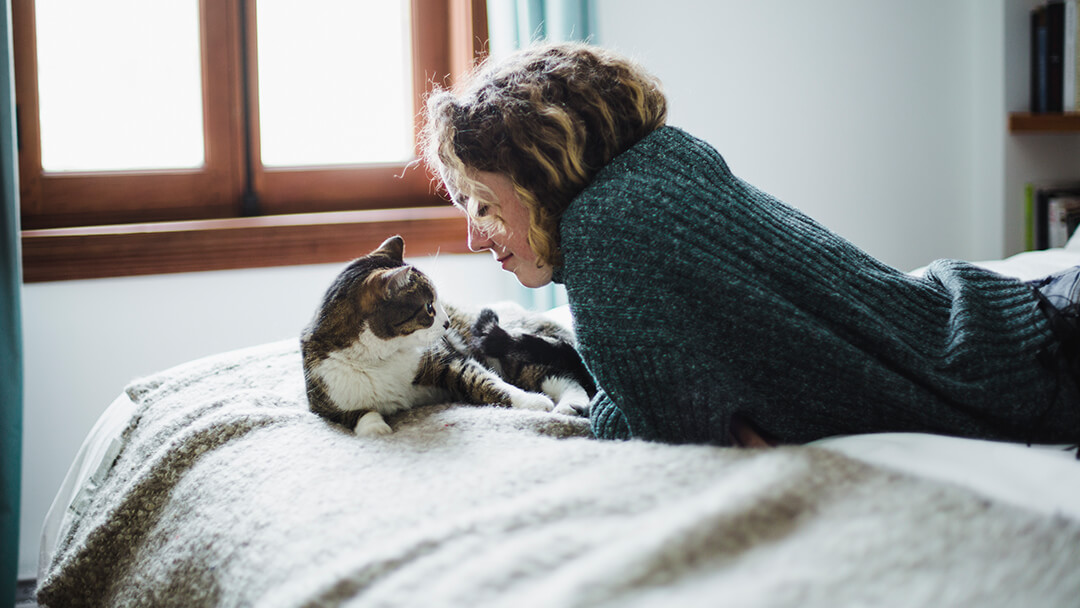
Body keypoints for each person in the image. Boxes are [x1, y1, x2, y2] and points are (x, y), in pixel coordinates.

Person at [422, 41, 1080, 450]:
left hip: (1037, 362)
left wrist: (604, 410)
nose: (477, 236)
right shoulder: (662, 163)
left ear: (539, 176)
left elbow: (662, 439)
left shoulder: (603, 239)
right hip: (1014, 318)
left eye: (483, 205)